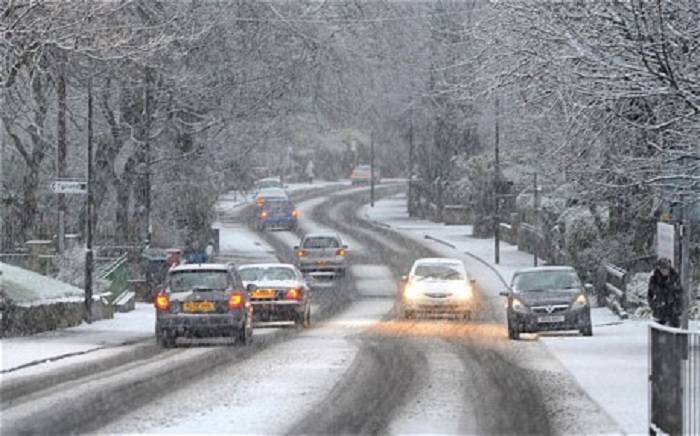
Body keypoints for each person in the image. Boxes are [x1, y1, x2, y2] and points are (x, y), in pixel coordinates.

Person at [647, 258, 683, 327]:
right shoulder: (654, 279)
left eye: (665, 268)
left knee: (674, 333)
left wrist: (678, 308)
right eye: (662, 268)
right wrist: (654, 306)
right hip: (659, 311)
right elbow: (650, 294)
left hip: (673, 312)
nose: (664, 271)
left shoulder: (675, 278)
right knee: (659, 334)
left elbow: (680, 293)